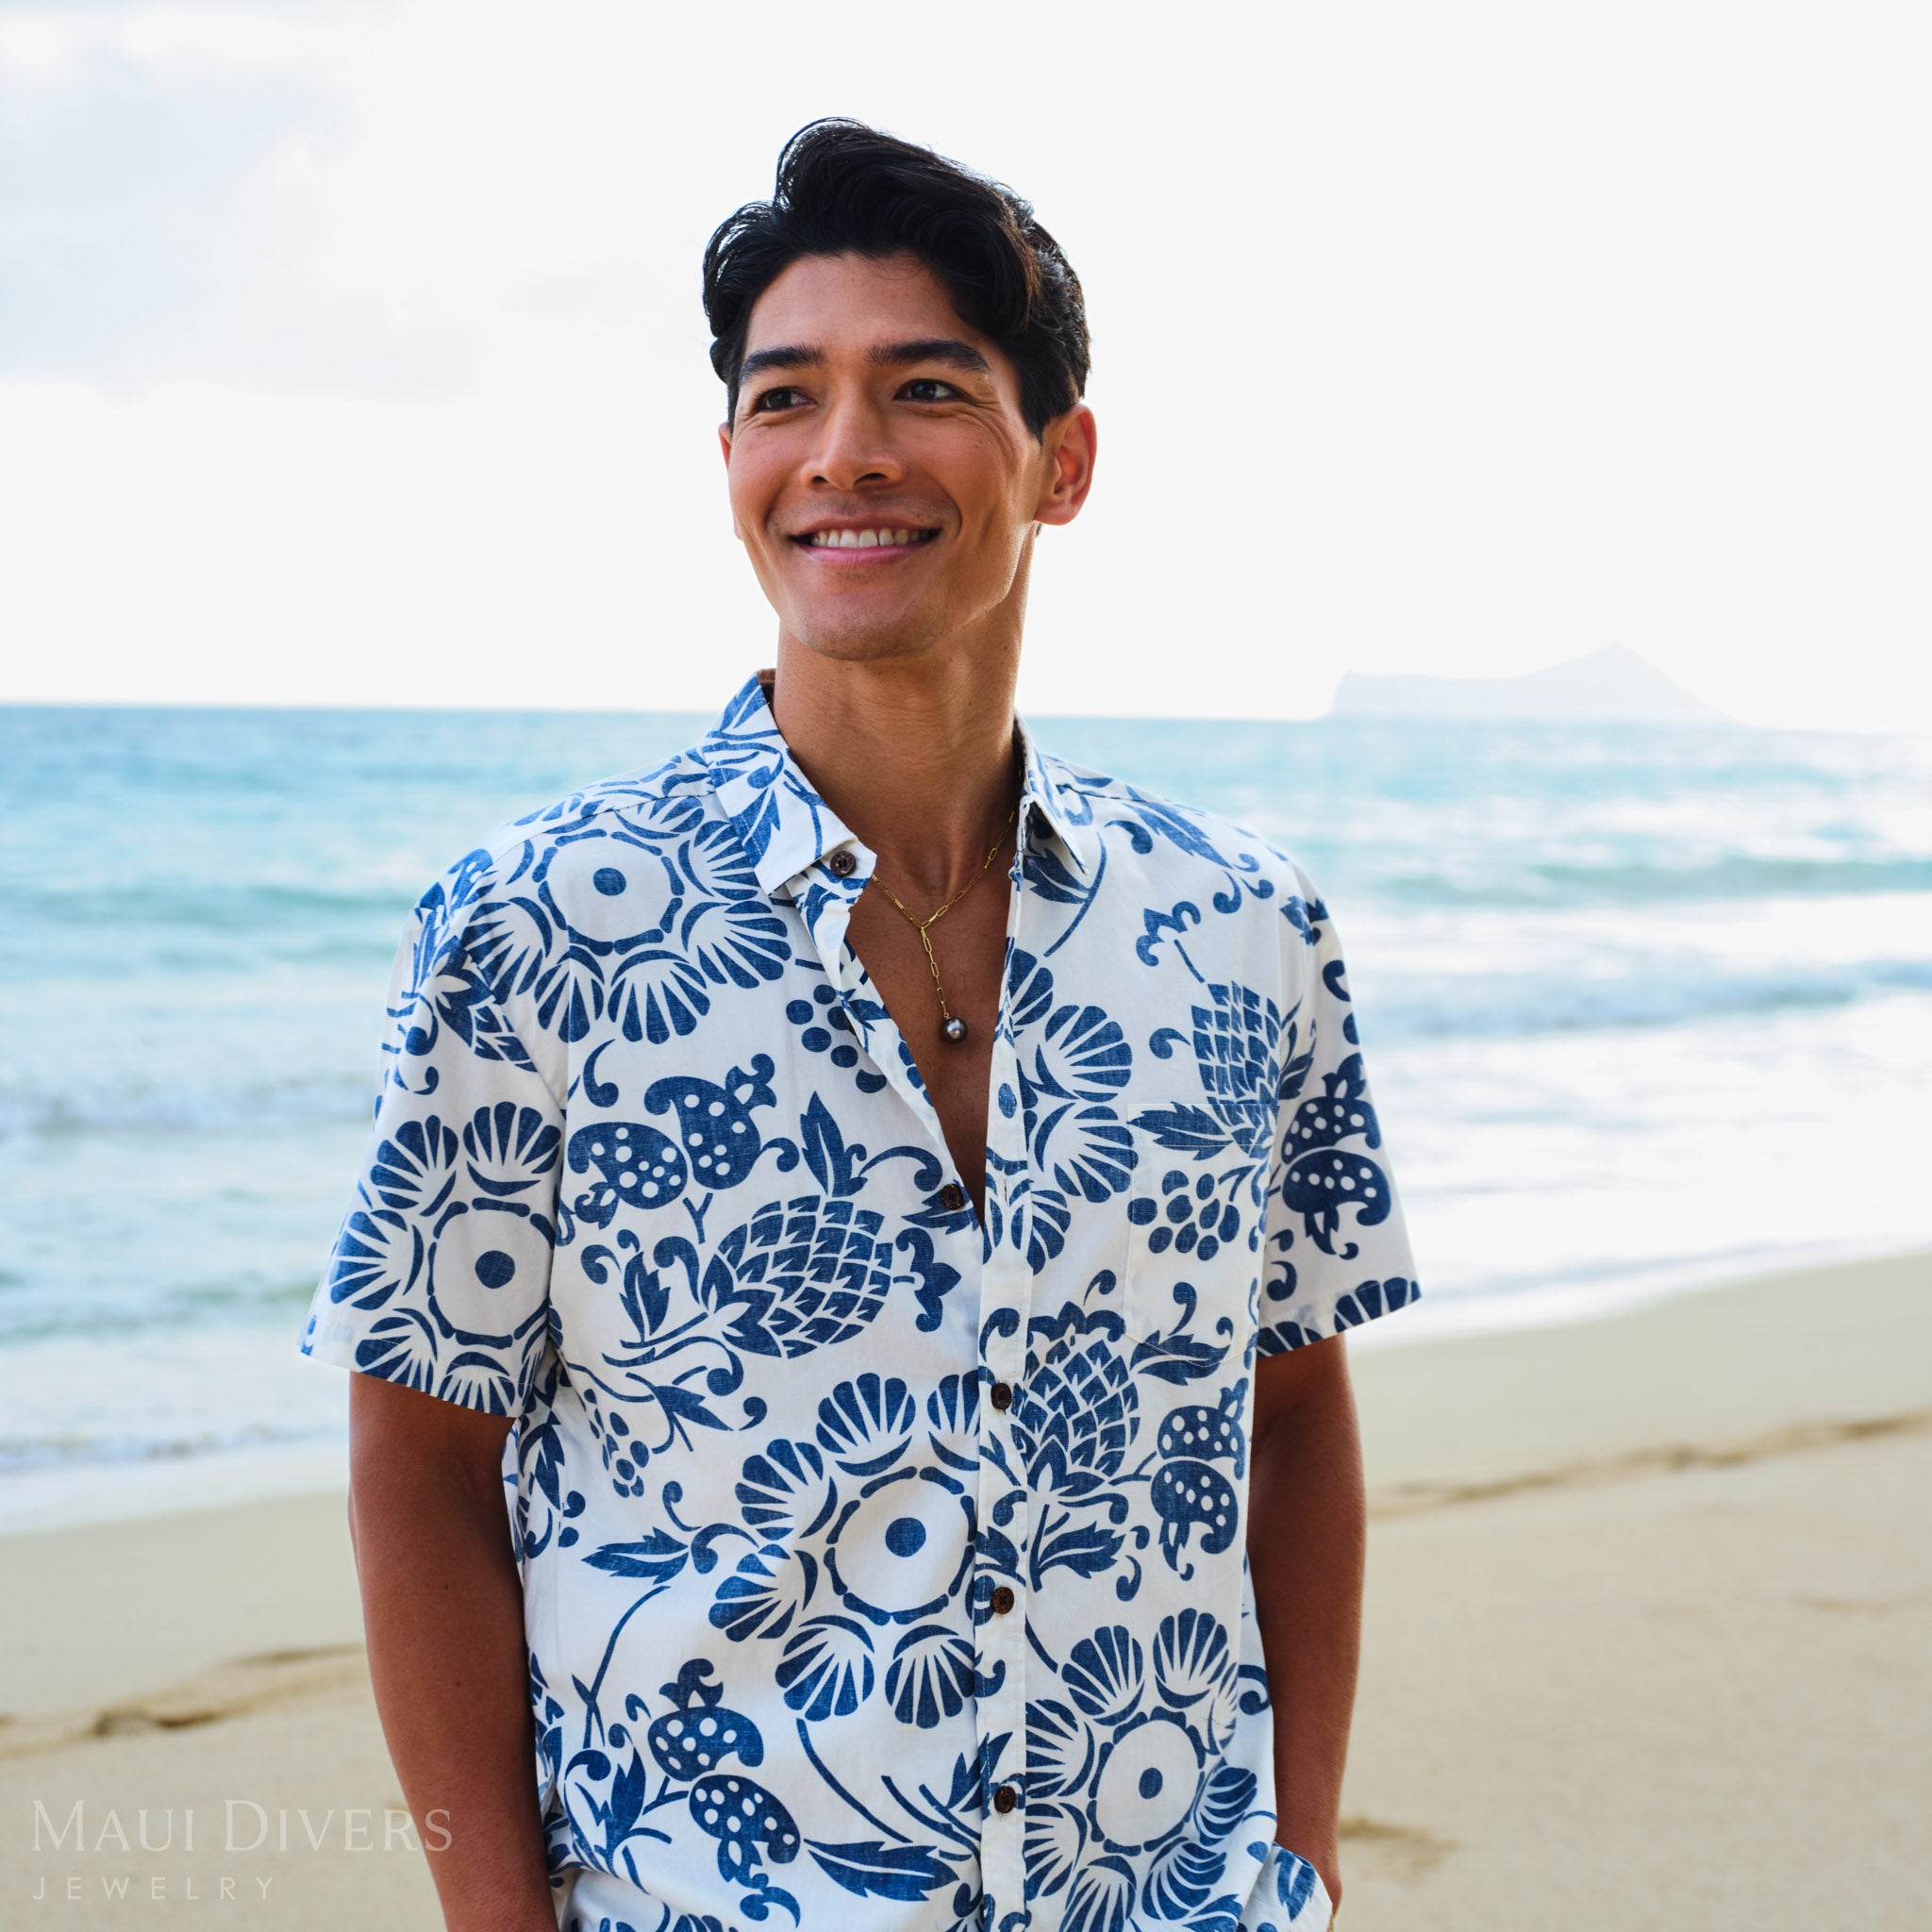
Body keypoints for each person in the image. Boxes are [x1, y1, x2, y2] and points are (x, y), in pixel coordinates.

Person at [301, 119, 1420, 1932]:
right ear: (731, 457)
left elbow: (1293, 1413)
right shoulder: (540, 925)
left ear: (1061, 462)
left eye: (924, 388)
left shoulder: (1247, 930)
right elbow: (417, 1461)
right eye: (784, 396)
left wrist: (1297, 1853)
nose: (845, 457)